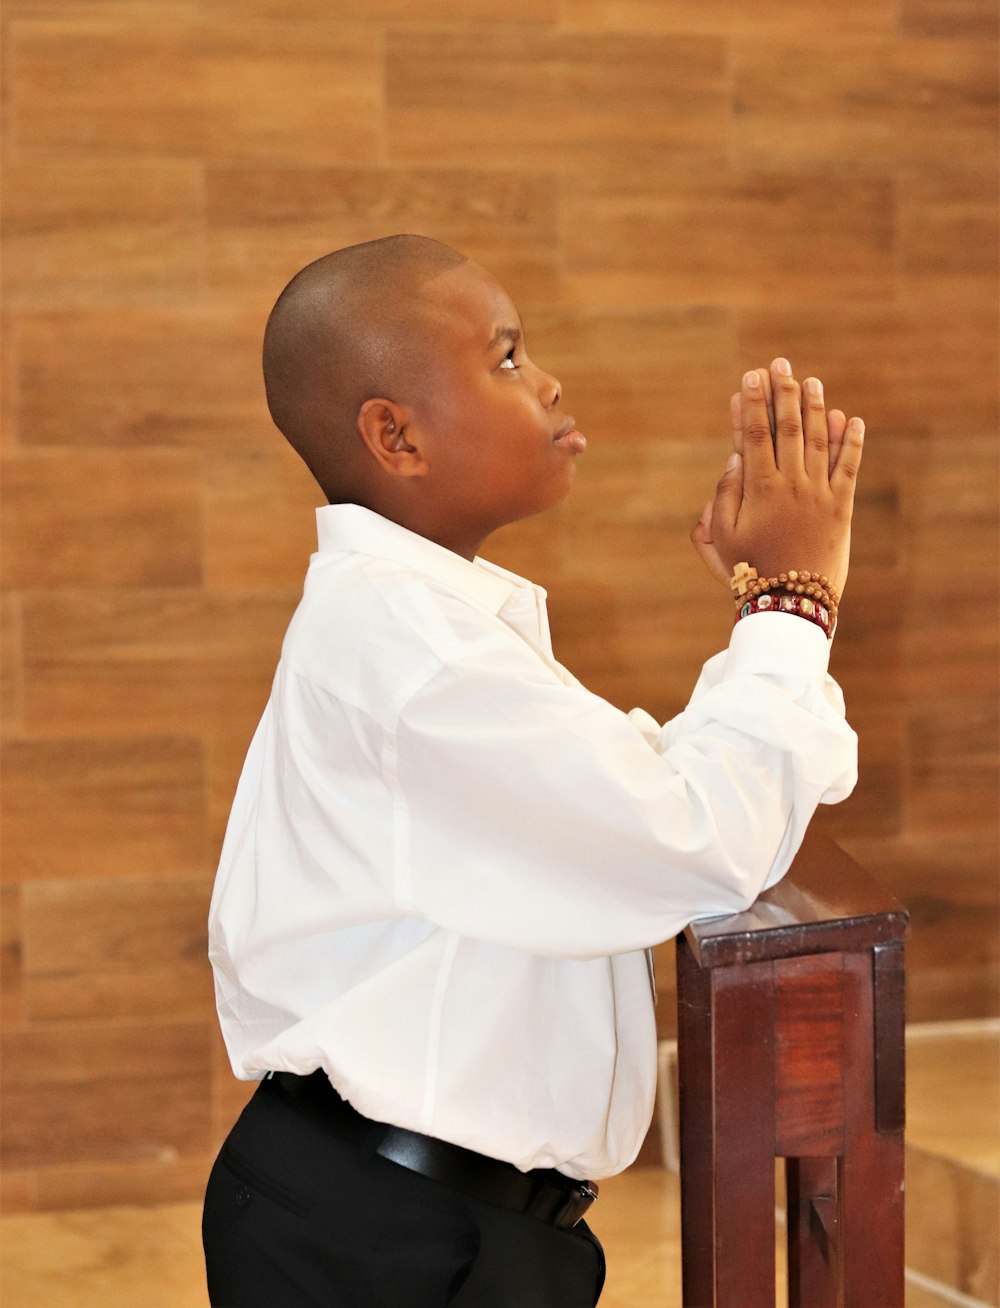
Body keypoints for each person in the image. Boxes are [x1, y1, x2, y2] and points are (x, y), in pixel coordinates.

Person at [202, 234, 864, 1307]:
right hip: (380, 1236)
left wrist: (770, 616)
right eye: (506, 359)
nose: (547, 381)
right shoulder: (411, 651)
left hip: (431, 1219)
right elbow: (696, 836)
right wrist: (789, 602)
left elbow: (646, 793)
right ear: (395, 436)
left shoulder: (424, 625)